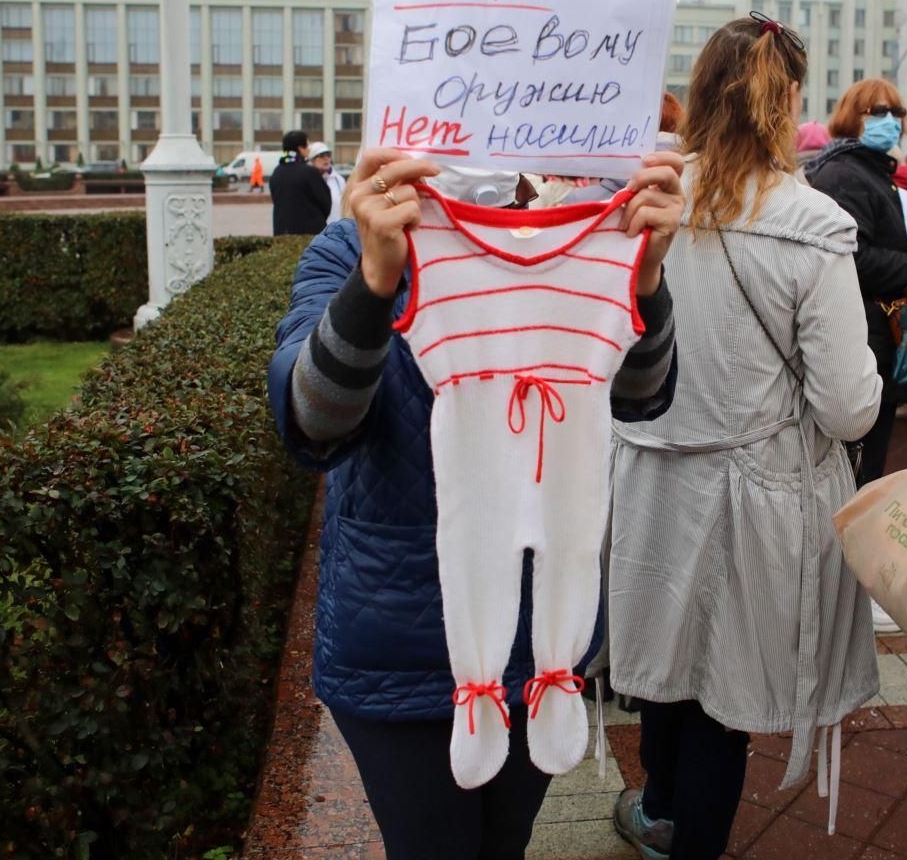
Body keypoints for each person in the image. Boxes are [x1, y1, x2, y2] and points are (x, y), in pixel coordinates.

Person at [266, 144, 684, 860]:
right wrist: (374, 281)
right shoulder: (349, 245)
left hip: (537, 642)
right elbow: (311, 420)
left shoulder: (572, 239)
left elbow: (639, 395)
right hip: (395, 641)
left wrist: (643, 280)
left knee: (503, 845)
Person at [608, 14, 883, 860]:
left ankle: (656, 800)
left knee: (664, 662)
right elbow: (847, 407)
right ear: (790, 98)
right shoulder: (811, 225)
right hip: (756, 491)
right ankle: (686, 839)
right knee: (723, 695)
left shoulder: (645, 200)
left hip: (651, 477)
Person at [805, 78, 907, 483]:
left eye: (896, 112)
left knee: (872, 459)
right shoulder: (844, 174)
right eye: (878, 112)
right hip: (859, 334)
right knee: (857, 467)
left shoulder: (871, 171)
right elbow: (853, 256)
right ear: (852, 117)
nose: (891, 121)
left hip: (877, 334)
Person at [269, 130, 333, 236]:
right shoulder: (309, 172)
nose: (308, 149)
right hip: (309, 234)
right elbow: (325, 202)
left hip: (282, 233)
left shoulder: (277, 172)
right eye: (307, 146)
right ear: (300, 149)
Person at [311, 142, 346, 216]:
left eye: (328, 154)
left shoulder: (339, 180)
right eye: (321, 155)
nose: (326, 158)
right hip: (316, 227)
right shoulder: (307, 180)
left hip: (336, 226)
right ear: (312, 160)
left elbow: (345, 206)